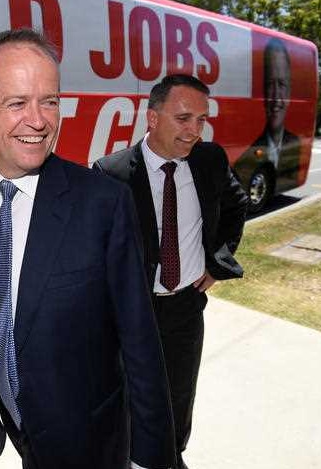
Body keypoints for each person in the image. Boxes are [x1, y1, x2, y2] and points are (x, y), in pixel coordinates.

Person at [0, 28, 176, 469]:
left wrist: (149, 458)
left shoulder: (104, 202)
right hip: (12, 424)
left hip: (92, 439)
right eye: (17, 103)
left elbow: (140, 342)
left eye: (50, 101)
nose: (38, 121)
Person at [94, 74, 249, 469]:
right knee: (128, 403)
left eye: (201, 120)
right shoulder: (111, 173)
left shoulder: (209, 160)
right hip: (134, 316)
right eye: (184, 118)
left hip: (185, 309)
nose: (194, 130)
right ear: (152, 117)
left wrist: (217, 264)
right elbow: (94, 250)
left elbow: (236, 206)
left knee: (178, 402)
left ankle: (170, 457)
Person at [234, 37, 302, 200]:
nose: (276, 98)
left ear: (290, 91)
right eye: (270, 84)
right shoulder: (245, 158)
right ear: (263, 90)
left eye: (282, 84)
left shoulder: (295, 144)